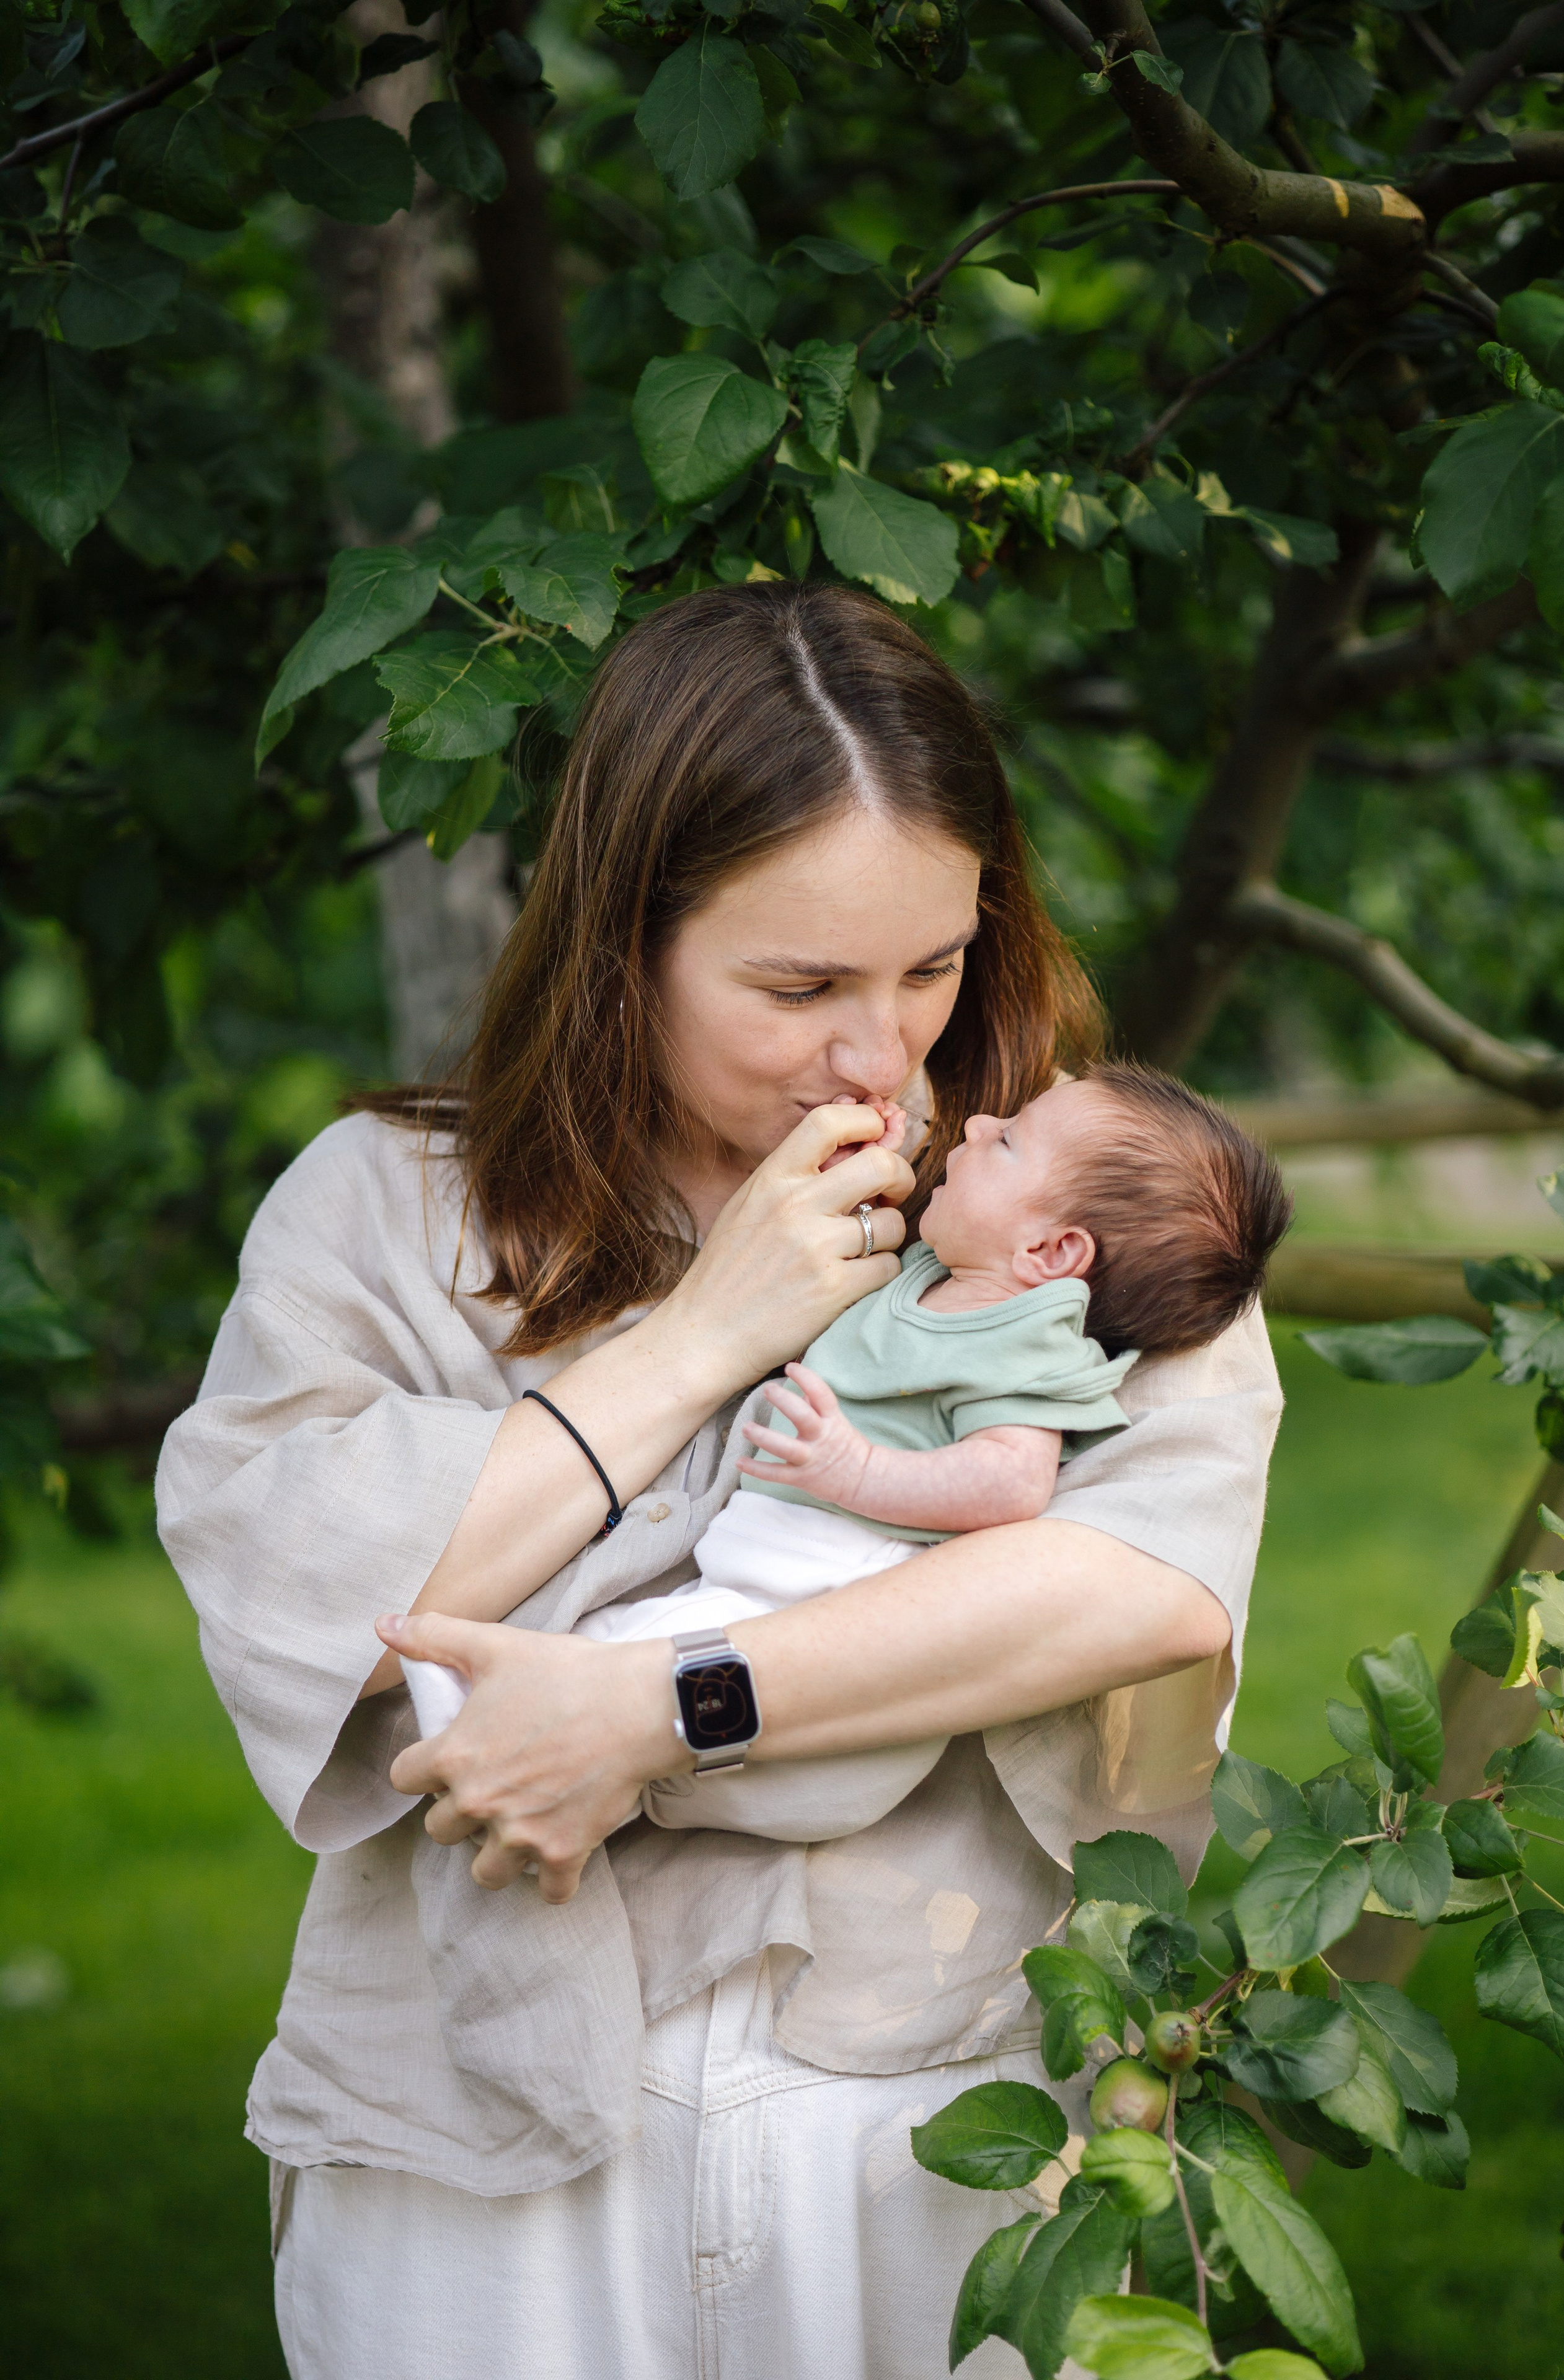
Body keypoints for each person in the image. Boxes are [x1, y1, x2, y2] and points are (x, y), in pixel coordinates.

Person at [156, 580, 1283, 2380]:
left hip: (931, 2114)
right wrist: (701, 1335)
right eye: (799, 985)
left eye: (933, 968)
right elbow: (318, 1607)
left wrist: (663, 1710)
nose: (883, 1055)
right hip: (471, 2166)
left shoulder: (1086, 1199)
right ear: (623, 945)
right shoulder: (382, 1206)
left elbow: (1131, 1585)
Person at [402, 1066, 1291, 1852]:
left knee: (610, 1660)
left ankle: (476, 1724)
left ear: (1051, 1254)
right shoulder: (932, 1273)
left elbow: (1013, 1480)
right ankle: (531, 1755)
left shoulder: (1025, 1340)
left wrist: (855, 1473)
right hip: (764, 1579)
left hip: (834, 1589)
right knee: (612, 1658)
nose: (977, 1128)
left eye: (1009, 1141)